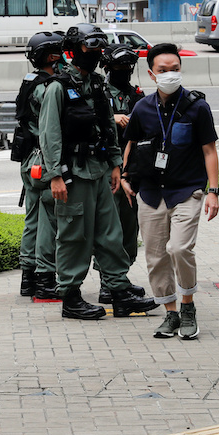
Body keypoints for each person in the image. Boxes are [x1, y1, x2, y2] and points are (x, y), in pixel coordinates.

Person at [38, 24, 156, 320]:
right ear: (74, 51)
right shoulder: (57, 88)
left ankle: (119, 292)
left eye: (98, 49)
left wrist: (115, 164)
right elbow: (49, 134)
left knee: (110, 234)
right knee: (73, 237)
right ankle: (71, 297)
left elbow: (107, 128)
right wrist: (54, 176)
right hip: (72, 174)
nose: (94, 54)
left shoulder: (97, 85)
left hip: (100, 171)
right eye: (89, 48)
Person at [122, 43, 219, 340]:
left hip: (186, 191)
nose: (169, 75)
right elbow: (130, 143)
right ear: (152, 74)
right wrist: (125, 175)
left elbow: (209, 150)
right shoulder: (142, 108)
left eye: (174, 69)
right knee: (155, 257)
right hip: (150, 194)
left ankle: (188, 307)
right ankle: (170, 313)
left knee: (179, 249)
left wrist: (213, 190)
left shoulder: (197, 107)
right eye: (163, 71)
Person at [13, 31, 66, 300]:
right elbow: (52, 128)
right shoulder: (48, 88)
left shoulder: (29, 81)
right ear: (52, 56)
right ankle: (45, 281)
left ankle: (28, 279)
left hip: (28, 158)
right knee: (48, 220)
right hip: (43, 159)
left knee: (32, 220)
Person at [98, 42, 146, 304]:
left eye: (128, 66)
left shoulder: (136, 94)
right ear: (107, 67)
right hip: (107, 168)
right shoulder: (100, 93)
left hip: (132, 169)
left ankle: (122, 277)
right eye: (119, 66)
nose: (124, 70)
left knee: (129, 227)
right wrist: (112, 118)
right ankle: (108, 282)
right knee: (109, 228)